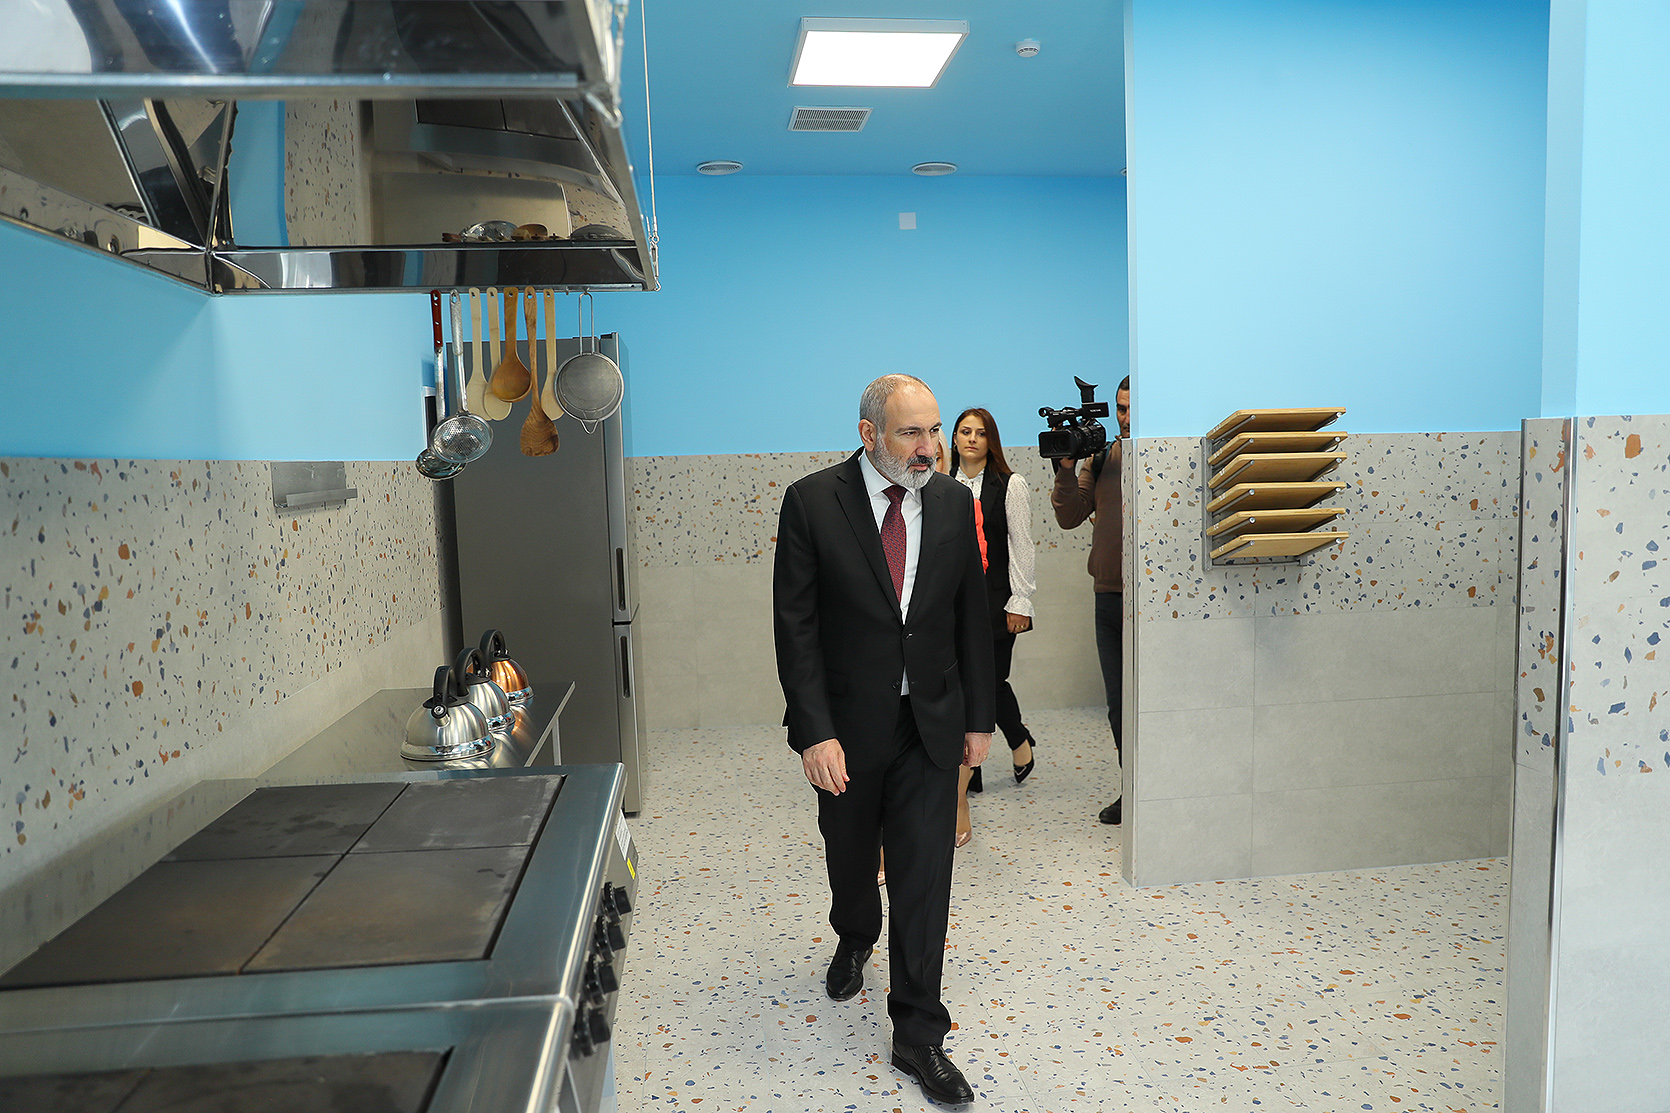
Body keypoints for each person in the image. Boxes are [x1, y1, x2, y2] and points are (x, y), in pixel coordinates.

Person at [774, 373, 996, 1107]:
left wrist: (978, 718)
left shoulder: (954, 501)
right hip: (846, 725)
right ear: (869, 433)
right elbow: (796, 627)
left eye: (933, 430)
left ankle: (919, 1033)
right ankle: (854, 930)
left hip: (929, 720)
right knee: (849, 852)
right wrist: (814, 732)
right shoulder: (813, 502)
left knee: (924, 872)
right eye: (911, 432)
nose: (929, 446)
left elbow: (971, 614)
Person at [949, 408, 1038, 846]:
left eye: (980, 433)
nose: (971, 439)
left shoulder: (1010, 485)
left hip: (994, 603)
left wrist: (1020, 601)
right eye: (964, 431)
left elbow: (1021, 545)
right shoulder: (940, 482)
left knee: (988, 682)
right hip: (949, 607)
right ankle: (984, 763)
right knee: (964, 686)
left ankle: (1010, 747)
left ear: (991, 441)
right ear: (953, 438)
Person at [1050, 375, 1130, 825]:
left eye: (1132, 408)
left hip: (1153, 603)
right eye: (1120, 408)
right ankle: (1132, 788)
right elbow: (1070, 515)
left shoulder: (1159, 457)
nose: (1125, 417)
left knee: (1154, 703)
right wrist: (1065, 470)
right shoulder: (1101, 457)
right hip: (1108, 598)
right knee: (1118, 706)